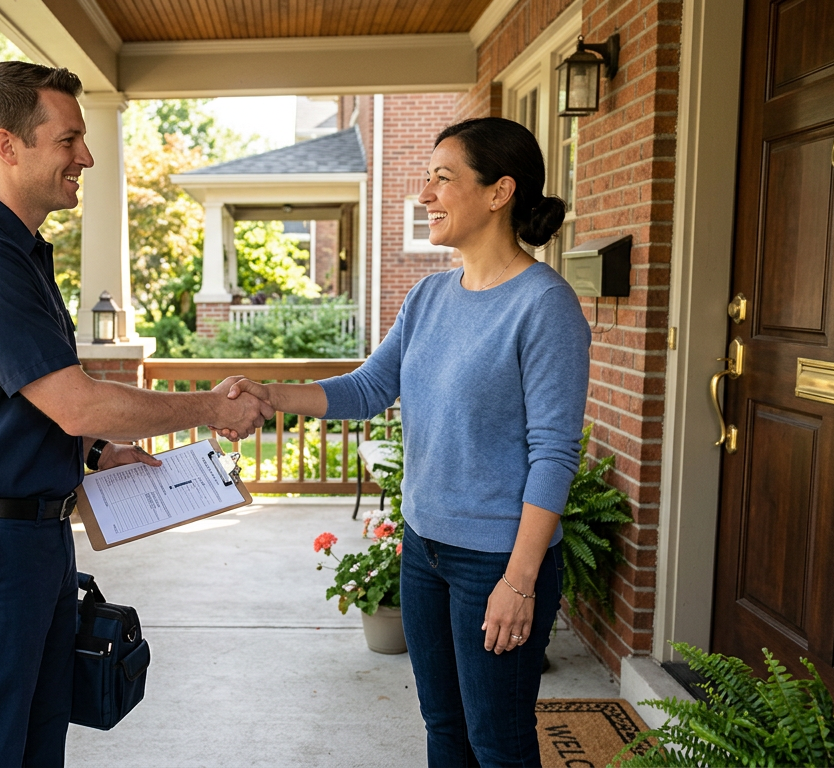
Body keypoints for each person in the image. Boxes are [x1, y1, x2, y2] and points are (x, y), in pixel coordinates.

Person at [0, 61, 272, 768]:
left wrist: (96, 456)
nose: (86, 155)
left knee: (39, 741)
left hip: (33, 537)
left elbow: (23, 407)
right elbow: (75, 401)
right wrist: (208, 408)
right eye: (69, 138)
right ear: (8, 144)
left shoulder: (21, 255)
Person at [222, 117, 590, 767]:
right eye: (427, 178)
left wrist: (520, 580)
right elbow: (368, 388)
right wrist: (270, 394)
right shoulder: (428, 296)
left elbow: (554, 452)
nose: (425, 194)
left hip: (496, 562)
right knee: (443, 726)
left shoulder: (544, 304)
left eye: (443, 179)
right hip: (425, 550)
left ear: (500, 191)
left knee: (497, 742)